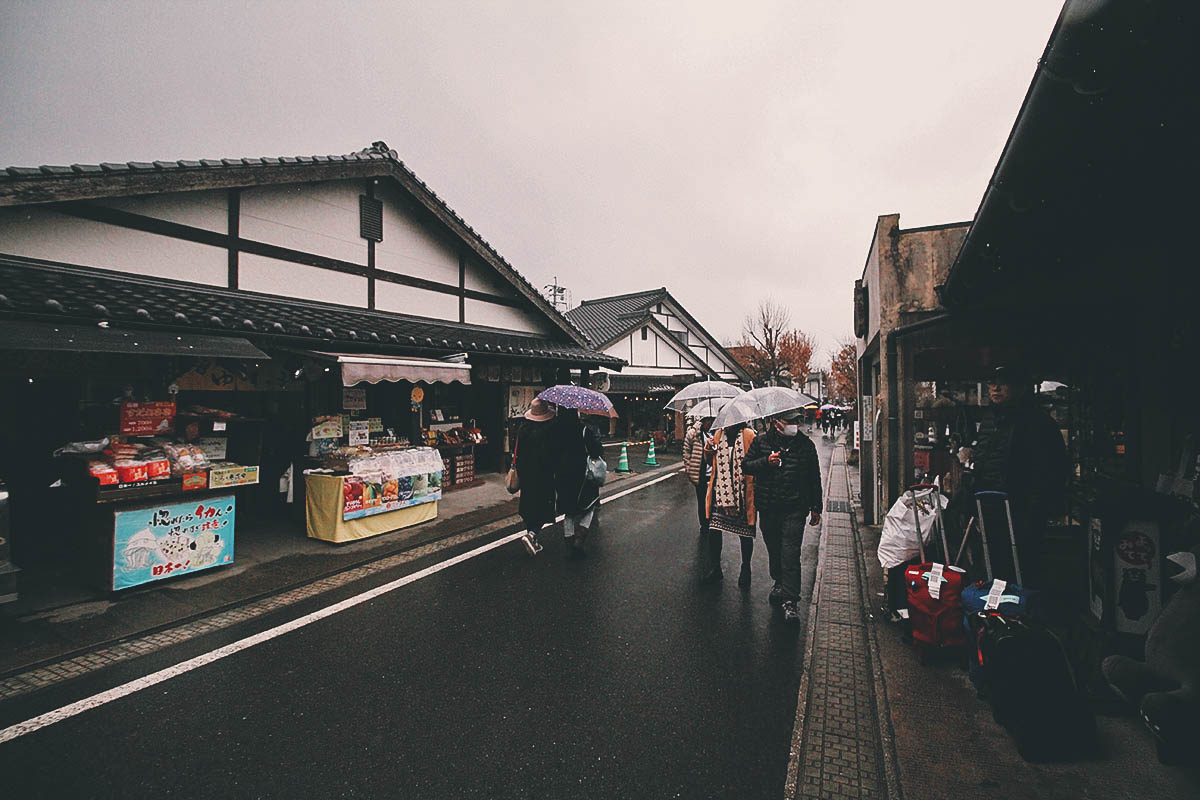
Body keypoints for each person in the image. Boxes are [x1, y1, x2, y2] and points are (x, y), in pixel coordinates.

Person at [966, 365, 1067, 588]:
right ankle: (993, 611)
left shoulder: (1036, 422)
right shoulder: (989, 420)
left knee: (1021, 567)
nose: (996, 388)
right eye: (992, 383)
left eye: (1003, 383)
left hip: (1022, 509)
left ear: (1020, 388)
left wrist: (1037, 507)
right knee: (992, 564)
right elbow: (983, 460)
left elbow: (1050, 469)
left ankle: (1020, 612)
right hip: (989, 507)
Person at [743, 409, 822, 622]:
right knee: (775, 549)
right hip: (768, 508)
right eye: (790, 421)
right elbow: (746, 466)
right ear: (776, 422)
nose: (794, 425)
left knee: (790, 552)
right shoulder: (761, 442)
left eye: (796, 421)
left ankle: (790, 601)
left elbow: (814, 477)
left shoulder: (805, 445)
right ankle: (778, 581)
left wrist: (816, 507)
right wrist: (766, 462)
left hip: (795, 508)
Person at [702, 422, 757, 587]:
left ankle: (746, 568)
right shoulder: (718, 435)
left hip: (742, 492)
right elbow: (710, 461)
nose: (725, 425)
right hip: (721, 492)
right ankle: (715, 567)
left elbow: (755, 459)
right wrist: (709, 448)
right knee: (714, 530)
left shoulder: (749, 435)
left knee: (745, 533)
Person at [555, 407, 604, 559]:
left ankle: (569, 542)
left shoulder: (558, 432)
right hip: (582, 474)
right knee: (589, 505)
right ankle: (580, 538)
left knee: (569, 510)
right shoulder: (584, 430)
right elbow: (596, 451)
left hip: (562, 474)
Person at [516, 397, 557, 556]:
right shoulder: (549, 431)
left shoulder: (523, 429)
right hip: (544, 473)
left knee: (529, 503)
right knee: (543, 506)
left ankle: (532, 538)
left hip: (525, 472)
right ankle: (532, 534)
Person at [683, 414, 715, 538]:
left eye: (712, 421)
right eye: (708, 421)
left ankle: (713, 522)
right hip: (700, 473)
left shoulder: (717, 434)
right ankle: (704, 524)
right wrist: (689, 467)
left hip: (714, 473)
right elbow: (686, 451)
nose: (710, 424)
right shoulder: (693, 434)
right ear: (703, 421)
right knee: (702, 501)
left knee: (714, 501)